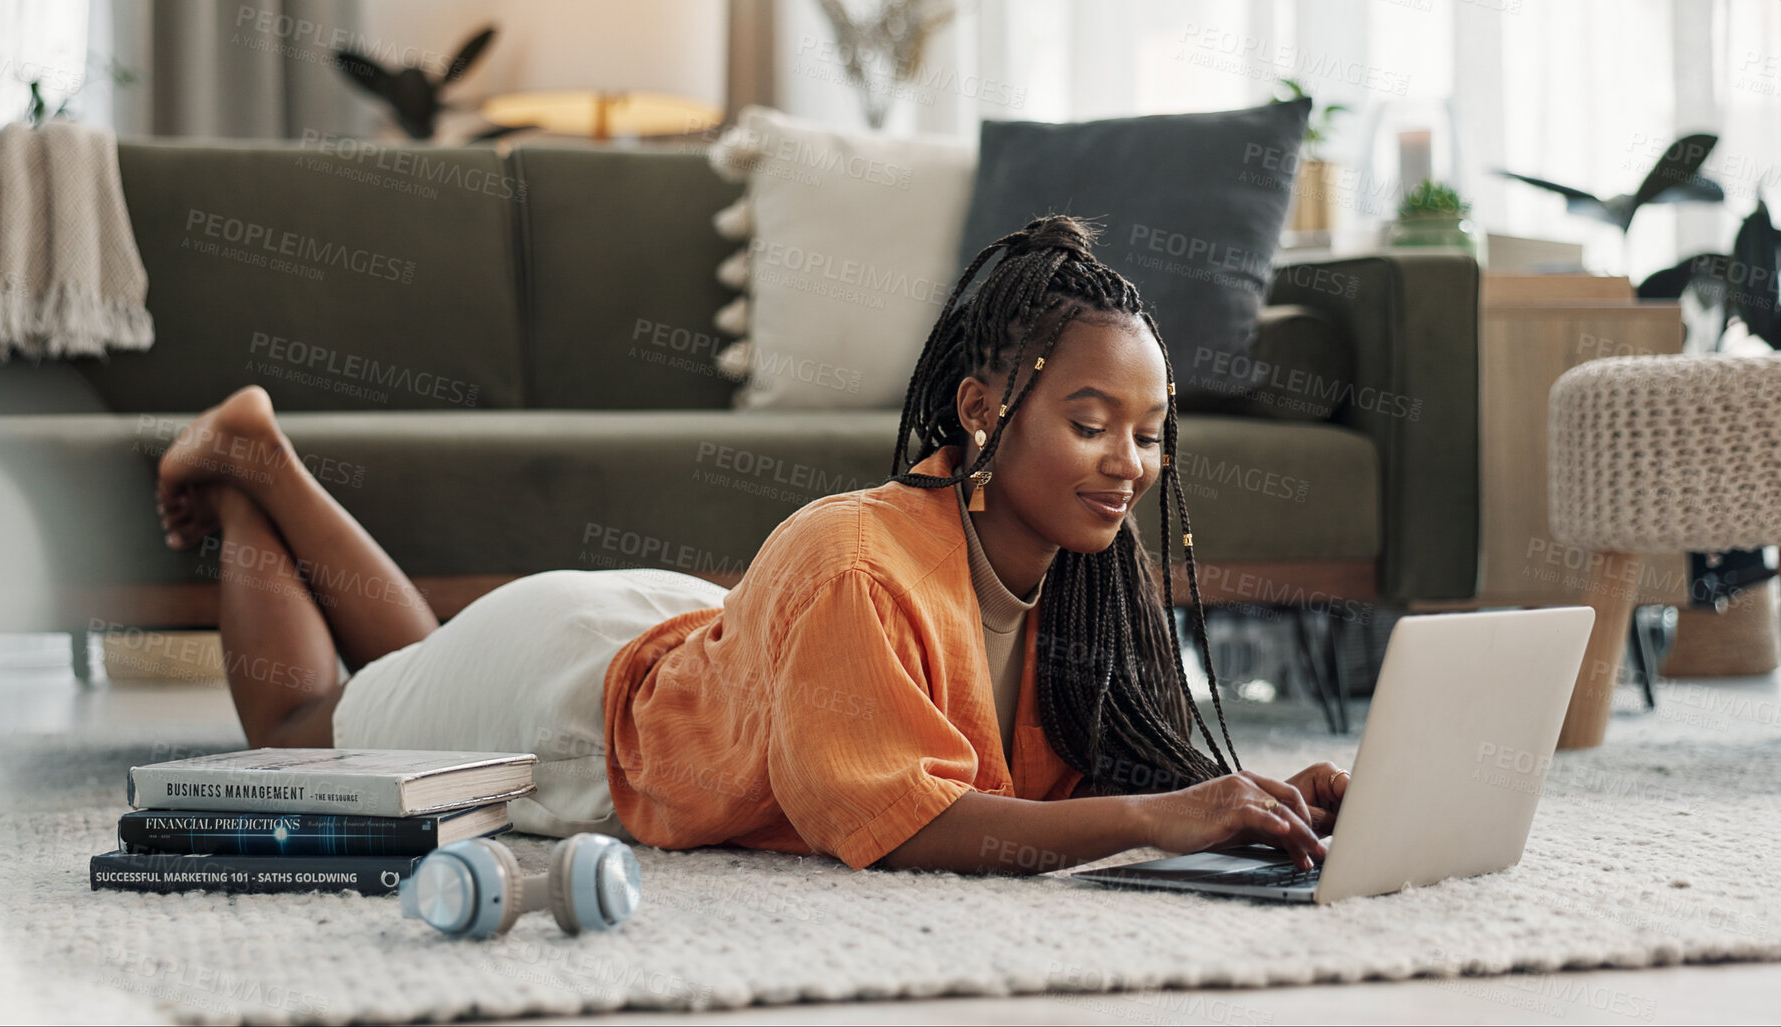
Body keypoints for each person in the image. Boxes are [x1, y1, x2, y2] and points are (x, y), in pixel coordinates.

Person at [153, 215, 1348, 874]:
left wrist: (1242, 795)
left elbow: (1081, 767)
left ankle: (261, 465)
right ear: (983, 410)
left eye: (1148, 433)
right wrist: (1161, 818)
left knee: (411, 679)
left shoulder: (1090, 582)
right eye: (1090, 424)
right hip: (576, 704)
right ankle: (251, 473)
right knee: (312, 729)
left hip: (701, 643)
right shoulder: (854, 560)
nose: (1127, 464)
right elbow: (906, 820)